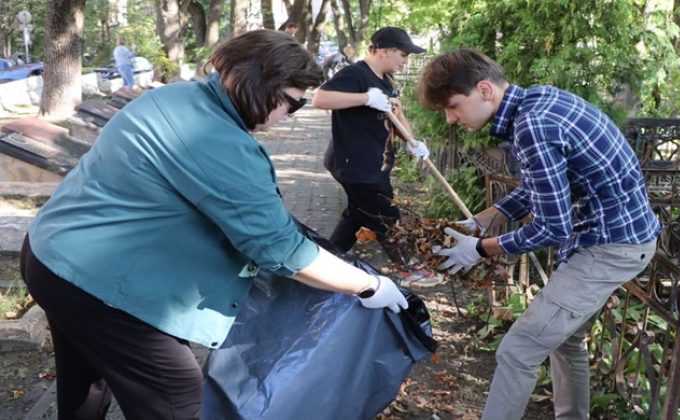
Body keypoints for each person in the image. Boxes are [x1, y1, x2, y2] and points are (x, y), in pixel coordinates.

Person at [20, 30, 407, 420]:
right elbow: (280, 249)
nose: (290, 114)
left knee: (86, 379)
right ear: (261, 84)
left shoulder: (175, 96)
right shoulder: (220, 140)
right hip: (97, 285)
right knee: (176, 394)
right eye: (292, 103)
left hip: (51, 253)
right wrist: (369, 285)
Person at [418, 48, 660, 419]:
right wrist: (486, 218)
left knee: (518, 349)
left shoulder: (533, 125)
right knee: (566, 343)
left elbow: (553, 225)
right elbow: (542, 186)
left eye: (453, 106)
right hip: (616, 236)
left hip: (611, 246)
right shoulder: (537, 102)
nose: (451, 119)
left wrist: (481, 249)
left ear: (484, 90)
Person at [312, 27, 438, 288]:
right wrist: (365, 98)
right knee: (386, 215)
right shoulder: (356, 74)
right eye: (403, 55)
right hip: (357, 165)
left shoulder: (386, 80)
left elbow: (396, 116)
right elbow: (320, 98)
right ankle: (407, 268)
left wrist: (413, 142)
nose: (406, 61)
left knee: (356, 216)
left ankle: (323, 262)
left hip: (375, 163)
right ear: (384, 51)